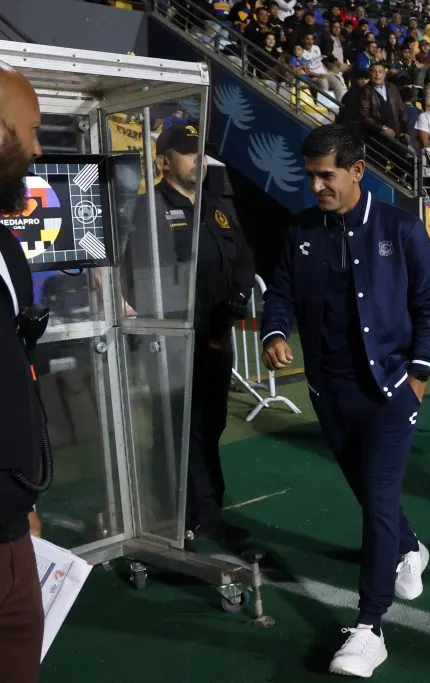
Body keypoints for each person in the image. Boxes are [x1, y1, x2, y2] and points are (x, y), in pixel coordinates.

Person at [260, 124, 430, 677]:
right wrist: (273, 333)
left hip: (391, 391)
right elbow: (282, 294)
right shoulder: (299, 231)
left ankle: (370, 626)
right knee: (370, 493)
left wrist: (418, 377)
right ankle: (412, 548)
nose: (316, 184)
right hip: (329, 392)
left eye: (327, 174)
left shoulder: (401, 228)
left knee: (380, 497)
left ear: (357, 171)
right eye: (310, 174)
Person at [123, 123, 255, 543]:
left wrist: (236, 297)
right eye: (185, 151)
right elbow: (139, 277)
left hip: (216, 338)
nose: (197, 157)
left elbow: (244, 259)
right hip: (172, 343)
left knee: (210, 424)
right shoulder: (148, 209)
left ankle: (200, 507)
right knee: (179, 428)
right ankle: (187, 514)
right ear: (163, 161)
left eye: (199, 150)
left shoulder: (218, 205)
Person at [0, 61, 45, 683]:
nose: (39, 149)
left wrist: (20, 499)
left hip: (11, 535)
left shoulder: (8, 247)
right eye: (30, 132)